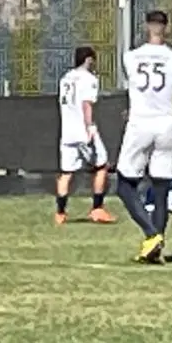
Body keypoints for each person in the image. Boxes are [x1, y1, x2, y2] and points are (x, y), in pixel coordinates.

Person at [118, 10, 172, 263]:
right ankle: (156, 247)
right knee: (161, 187)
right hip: (167, 124)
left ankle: (151, 234)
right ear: (166, 27)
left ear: (147, 26)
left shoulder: (130, 57)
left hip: (140, 123)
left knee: (125, 184)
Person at [54, 46, 115, 226]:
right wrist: (89, 126)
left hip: (67, 131)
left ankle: (60, 213)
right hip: (82, 130)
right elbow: (86, 104)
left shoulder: (65, 78)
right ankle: (97, 209)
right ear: (88, 59)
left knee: (66, 173)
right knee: (102, 165)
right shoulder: (88, 79)